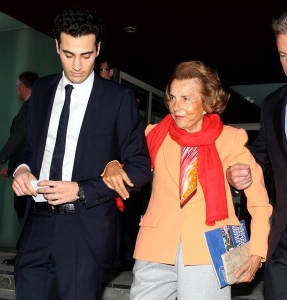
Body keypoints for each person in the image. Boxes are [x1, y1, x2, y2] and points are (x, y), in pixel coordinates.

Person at [11, 8, 151, 300]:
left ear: (98, 49)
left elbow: (139, 167)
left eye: (86, 56)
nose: (77, 65)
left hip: (82, 228)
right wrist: (21, 169)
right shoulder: (43, 89)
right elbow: (30, 148)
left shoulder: (118, 99)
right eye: (68, 54)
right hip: (36, 222)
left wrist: (81, 190)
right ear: (56, 46)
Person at [102, 61, 273, 299]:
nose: (175, 106)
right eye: (172, 97)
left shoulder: (231, 139)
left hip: (209, 249)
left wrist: (257, 251)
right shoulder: (154, 134)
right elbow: (120, 154)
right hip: (156, 244)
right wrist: (111, 163)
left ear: (207, 103)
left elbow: (260, 203)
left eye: (186, 99)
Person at [228, 11, 287, 300]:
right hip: (284, 241)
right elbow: (259, 157)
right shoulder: (273, 104)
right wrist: (235, 170)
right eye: (283, 55)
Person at [0, 71, 39, 265]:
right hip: (23, 167)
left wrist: (0, 159)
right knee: (24, 211)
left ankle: (25, 256)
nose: (17, 89)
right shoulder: (33, 107)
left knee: (24, 211)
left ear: (24, 86)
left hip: (28, 168)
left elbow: (18, 137)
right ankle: (25, 255)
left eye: (17, 85)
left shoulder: (30, 107)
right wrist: (10, 168)